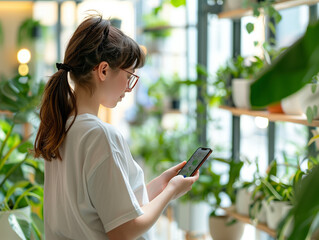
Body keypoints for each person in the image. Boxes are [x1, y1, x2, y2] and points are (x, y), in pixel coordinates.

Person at [34, 13, 199, 240]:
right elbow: (123, 230)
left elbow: (112, 209)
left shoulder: (62, 127)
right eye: (129, 76)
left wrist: (163, 185)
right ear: (103, 71)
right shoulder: (99, 135)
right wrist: (171, 191)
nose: (129, 88)